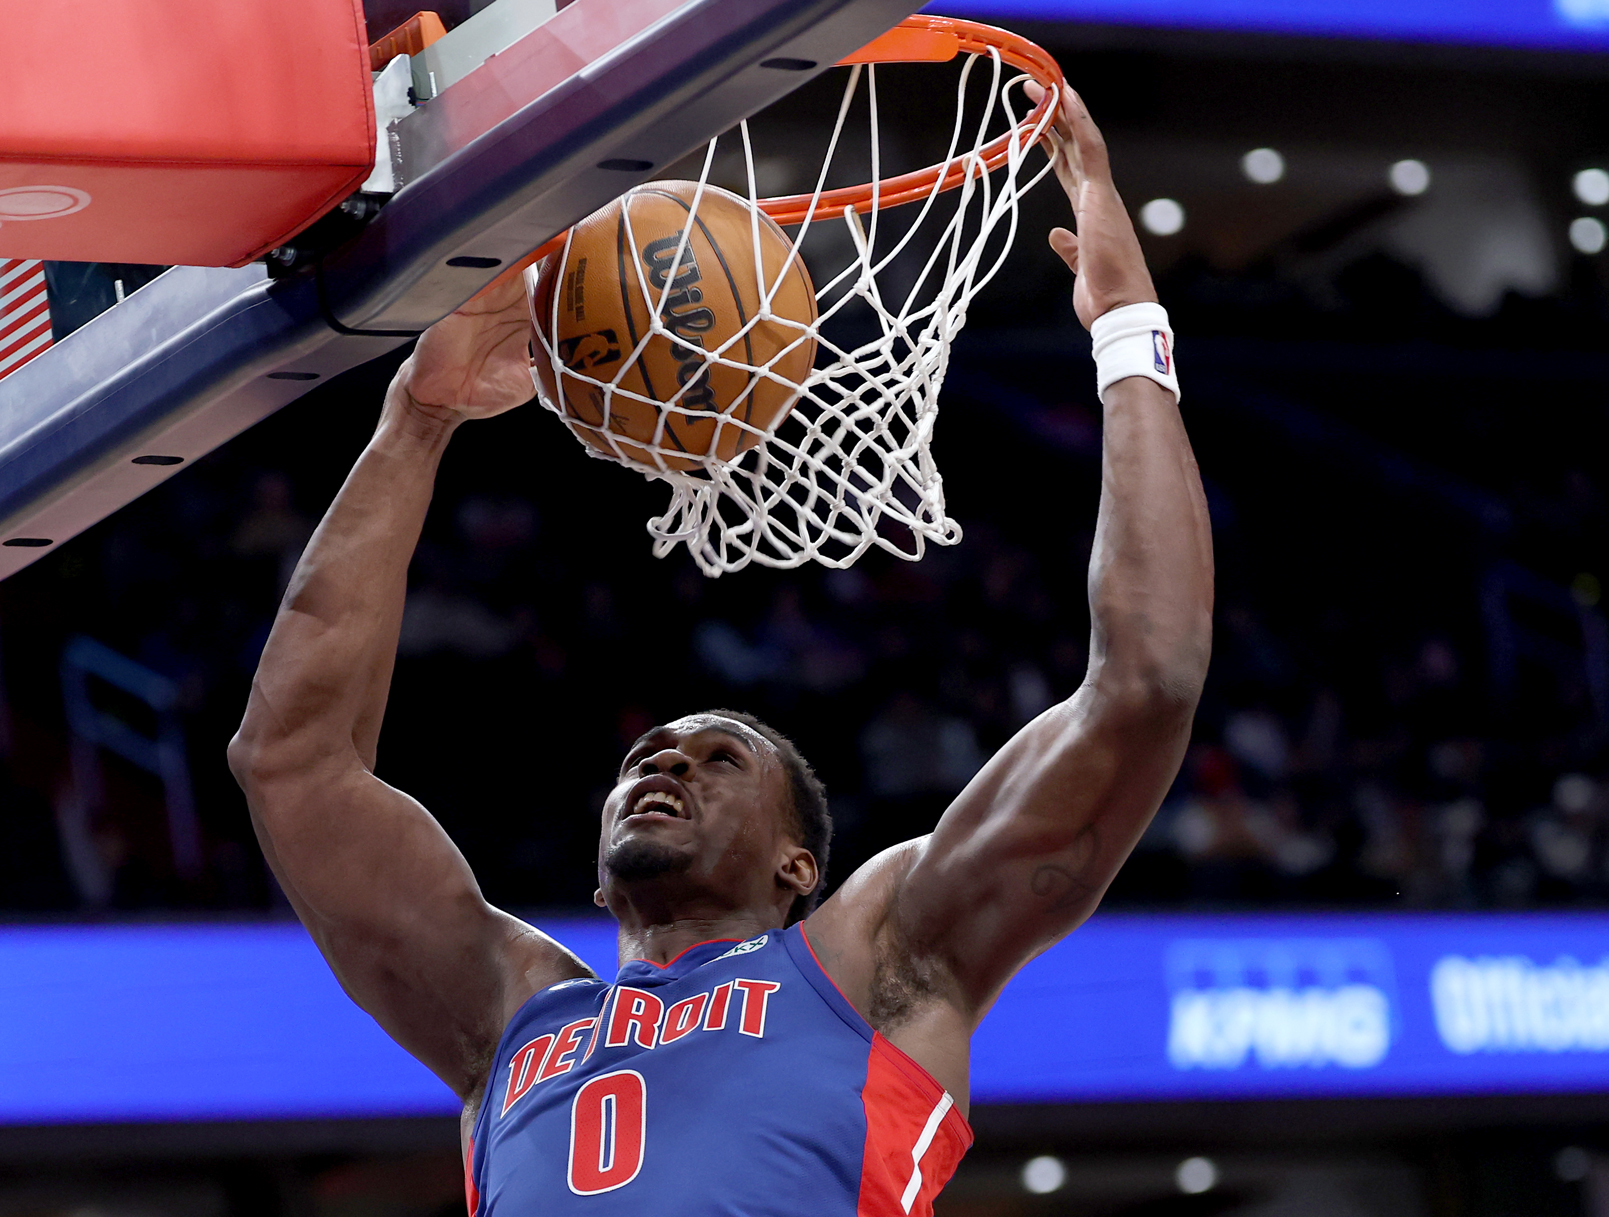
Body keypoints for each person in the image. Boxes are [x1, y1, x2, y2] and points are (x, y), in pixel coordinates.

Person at [228, 85, 1212, 1216]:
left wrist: (1129, 331)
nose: (664, 763)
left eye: (718, 759)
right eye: (650, 753)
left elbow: (1143, 685)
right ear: (594, 874)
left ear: (801, 865)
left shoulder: (876, 958)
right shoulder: (506, 1004)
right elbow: (290, 762)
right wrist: (420, 414)